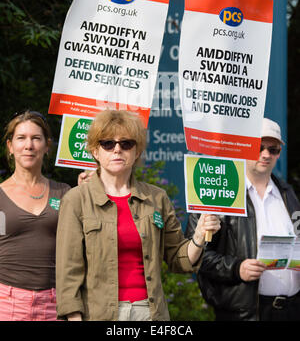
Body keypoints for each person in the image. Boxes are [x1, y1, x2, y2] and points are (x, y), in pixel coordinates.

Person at [55, 109, 220, 321]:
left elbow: (179, 260)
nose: (117, 149)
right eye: (107, 143)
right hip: (98, 314)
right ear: (95, 151)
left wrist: (198, 236)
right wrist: (74, 318)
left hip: (150, 313)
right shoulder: (76, 199)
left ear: (137, 152)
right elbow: (68, 272)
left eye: (126, 144)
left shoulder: (157, 198)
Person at [185, 118, 300, 321]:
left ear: (279, 153)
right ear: (243, 147)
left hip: (291, 309)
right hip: (244, 314)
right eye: (258, 147)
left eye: (273, 149)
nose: (266, 154)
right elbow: (196, 257)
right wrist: (237, 268)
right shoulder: (219, 192)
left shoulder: (287, 193)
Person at [0, 110, 70, 321]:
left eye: (36, 138)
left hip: (54, 304)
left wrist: (88, 192)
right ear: (10, 147)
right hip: (7, 303)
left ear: (47, 146)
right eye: (21, 138)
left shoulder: (65, 192)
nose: (28, 145)